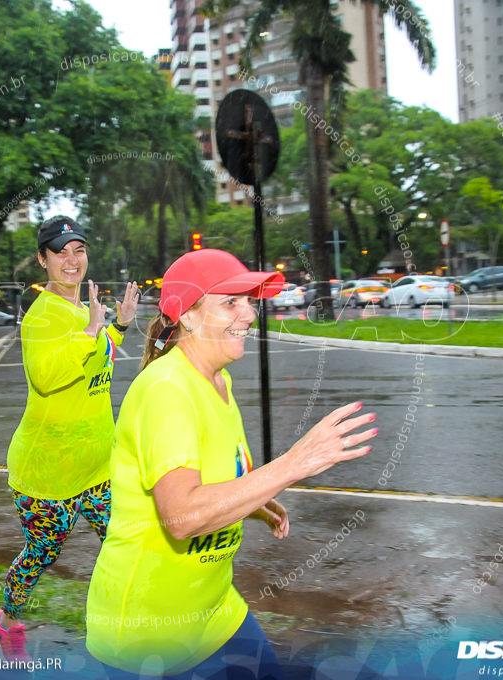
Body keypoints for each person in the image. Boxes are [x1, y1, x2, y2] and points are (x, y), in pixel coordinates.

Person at [85, 249, 378, 678]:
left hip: (214, 610)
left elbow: (209, 478)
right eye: (230, 302)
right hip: (148, 632)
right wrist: (292, 464)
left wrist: (253, 501)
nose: (249, 314)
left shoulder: (218, 379)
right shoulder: (168, 390)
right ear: (186, 316)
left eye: (249, 301)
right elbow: (182, 517)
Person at [0, 216, 139, 662]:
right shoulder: (42, 315)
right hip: (48, 470)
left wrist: (119, 327)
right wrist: (93, 330)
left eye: (78, 250)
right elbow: (48, 376)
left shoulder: (81, 308)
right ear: (43, 259)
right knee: (42, 554)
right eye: (60, 252)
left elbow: (94, 364)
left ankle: (128, 634)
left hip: (95, 465)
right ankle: (6, 621)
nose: (71, 260)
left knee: (124, 544)